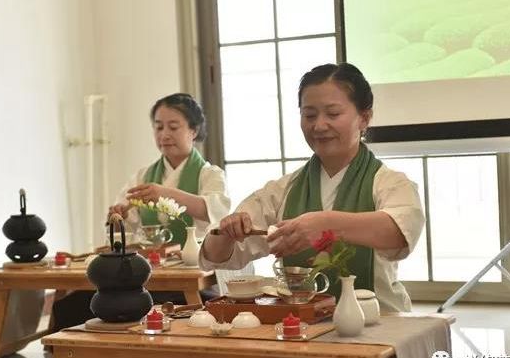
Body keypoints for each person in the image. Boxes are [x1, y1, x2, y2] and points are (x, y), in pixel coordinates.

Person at [199, 63, 425, 312]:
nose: (319, 126)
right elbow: (217, 256)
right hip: (302, 325)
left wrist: (325, 225)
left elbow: (398, 231)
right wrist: (226, 231)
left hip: (379, 322)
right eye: (309, 115)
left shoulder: (390, 182)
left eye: (333, 114)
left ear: (364, 117)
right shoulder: (282, 190)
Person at [108, 92, 254, 300]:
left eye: (173, 127)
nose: (164, 135)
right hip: (153, 275)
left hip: (198, 273)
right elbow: (128, 227)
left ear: (193, 131)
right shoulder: (143, 175)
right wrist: (118, 216)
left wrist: (165, 193)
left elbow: (215, 212)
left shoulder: (209, 174)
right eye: (159, 127)